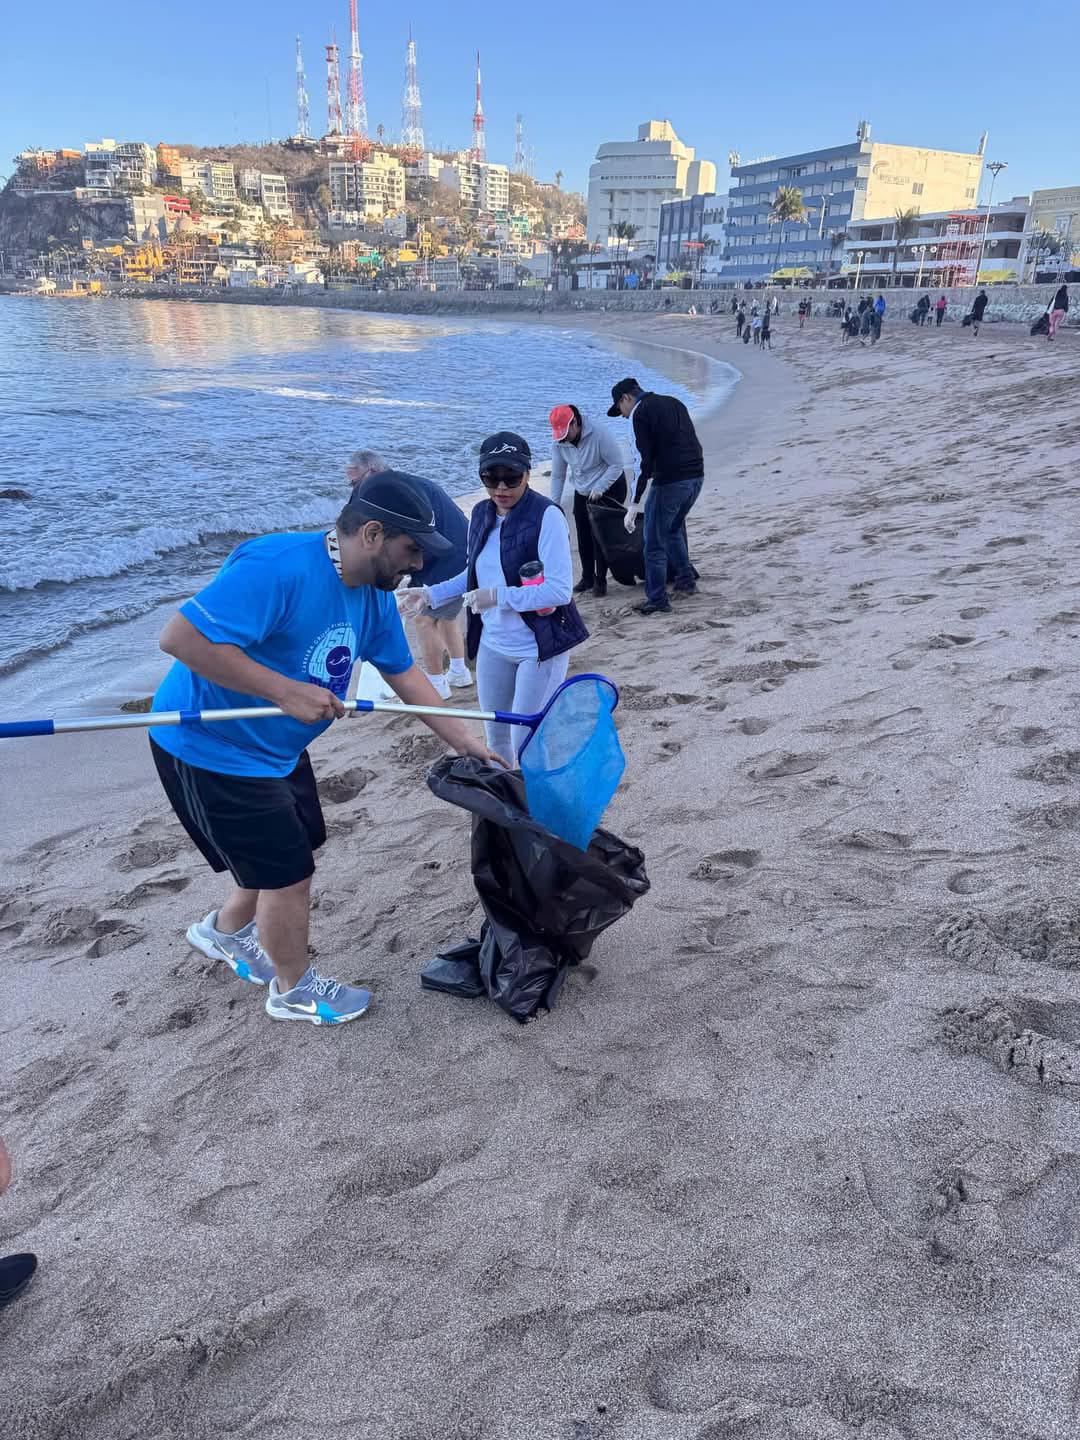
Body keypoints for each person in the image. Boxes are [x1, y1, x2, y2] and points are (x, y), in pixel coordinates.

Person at [149, 472, 503, 1028]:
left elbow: (404, 673)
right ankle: (293, 990)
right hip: (212, 744)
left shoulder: (374, 596)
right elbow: (181, 638)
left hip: (276, 750)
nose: (417, 565)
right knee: (288, 872)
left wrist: (465, 739)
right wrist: (284, 691)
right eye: (411, 550)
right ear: (372, 533)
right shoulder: (278, 567)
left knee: (285, 850)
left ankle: (224, 932)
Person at [403, 431, 588, 767]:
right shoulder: (480, 513)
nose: (501, 488)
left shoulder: (547, 516)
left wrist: (497, 597)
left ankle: (539, 796)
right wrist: (430, 593)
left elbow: (559, 591)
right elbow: (475, 571)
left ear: (527, 474)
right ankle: (507, 798)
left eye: (511, 477)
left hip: (539, 647)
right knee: (497, 737)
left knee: (526, 740)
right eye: (490, 478)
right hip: (493, 644)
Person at [346, 451, 470, 699]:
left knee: (423, 619)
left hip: (446, 554)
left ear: (373, 472)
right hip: (461, 549)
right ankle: (459, 672)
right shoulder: (402, 485)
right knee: (444, 616)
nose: (354, 489)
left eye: (355, 482)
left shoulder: (397, 492)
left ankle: (437, 684)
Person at [609, 378, 704, 617]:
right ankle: (685, 581)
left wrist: (633, 504)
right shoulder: (673, 402)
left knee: (653, 544)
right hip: (696, 476)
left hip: (670, 482)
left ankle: (657, 599)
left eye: (620, 409)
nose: (623, 416)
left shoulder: (639, 414)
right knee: (672, 530)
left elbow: (642, 463)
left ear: (626, 398)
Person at [548, 403, 629, 598]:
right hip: (583, 488)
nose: (563, 438)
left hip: (610, 484)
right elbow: (558, 475)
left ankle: (600, 580)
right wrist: (554, 504)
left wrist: (600, 488)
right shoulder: (558, 442)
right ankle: (587, 577)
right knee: (583, 532)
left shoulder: (599, 433)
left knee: (598, 534)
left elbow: (617, 465)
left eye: (566, 432)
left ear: (575, 422)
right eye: (560, 435)